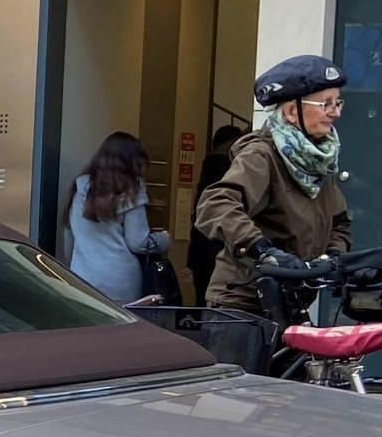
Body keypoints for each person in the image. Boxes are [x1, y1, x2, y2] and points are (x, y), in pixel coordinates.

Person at [195, 55, 351, 314]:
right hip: (244, 305)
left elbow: (340, 222)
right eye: (326, 104)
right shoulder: (262, 155)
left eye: (337, 102)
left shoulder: (316, 160)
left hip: (292, 300)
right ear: (292, 111)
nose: (336, 112)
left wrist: (332, 256)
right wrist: (262, 250)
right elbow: (216, 204)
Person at [61, 131, 170, 303]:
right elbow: (138, 243)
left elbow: (69, 239)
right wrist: (163, 239)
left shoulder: (81, 189)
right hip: (120, 283)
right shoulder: (132, 190)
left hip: (81, 280)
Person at [185, 123, 242, 299]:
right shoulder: (231, 167)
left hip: (200, 250)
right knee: (222, 307)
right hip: (221, 250)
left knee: (202, 301)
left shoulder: (208, 167)